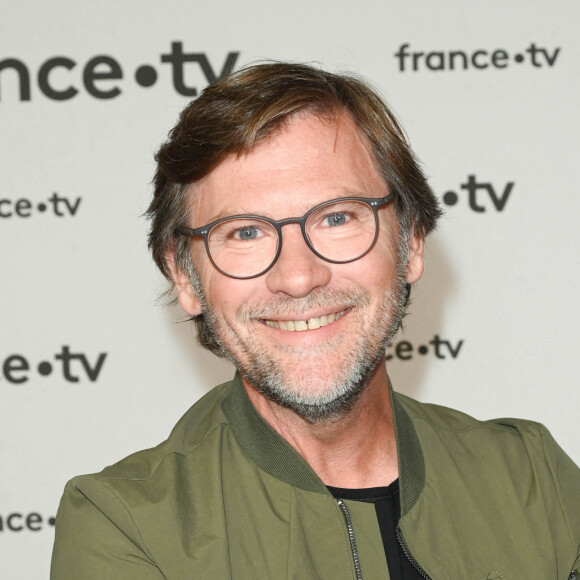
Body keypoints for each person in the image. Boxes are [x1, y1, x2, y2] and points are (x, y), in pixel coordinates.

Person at [51, 62, 580, 579]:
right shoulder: (126, 527)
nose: (299, 277)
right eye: (245, 232)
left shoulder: (532, 480)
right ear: (185, 278)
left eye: (336, 218)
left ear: (411, 241)